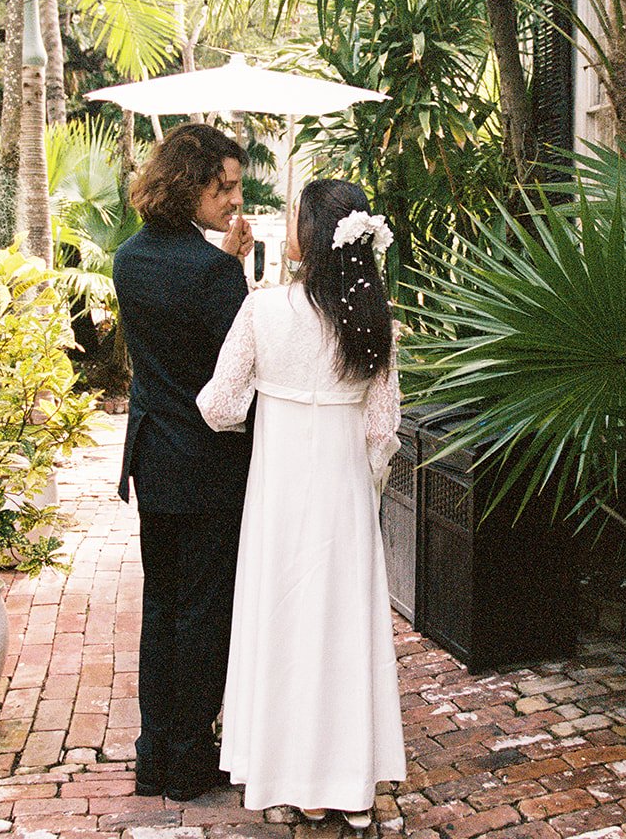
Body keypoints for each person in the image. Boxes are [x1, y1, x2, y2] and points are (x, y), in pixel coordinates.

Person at [197, 179, 406, 828]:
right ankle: (352, 788)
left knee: (283, 630)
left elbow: (220, 406)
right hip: (343, 501)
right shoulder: (378, 323)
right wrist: (360, 483)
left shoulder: (263, 311)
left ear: (310, 235)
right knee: (344, 633)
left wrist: (260, 420)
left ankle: (297, 784)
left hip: (279, 499)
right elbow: (382, 433)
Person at [112, 124, 255, 802]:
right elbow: (239, 370)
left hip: (154, 459)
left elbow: (173, 344)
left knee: (161, 606)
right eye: (223, 185)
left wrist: (224, 260)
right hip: (209, 465)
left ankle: (153, 754)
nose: (235, 197)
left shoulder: (129, 258)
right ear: (189, 182)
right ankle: (192, 757)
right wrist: (234, 269)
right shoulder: (215, 272)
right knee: (203, 613)